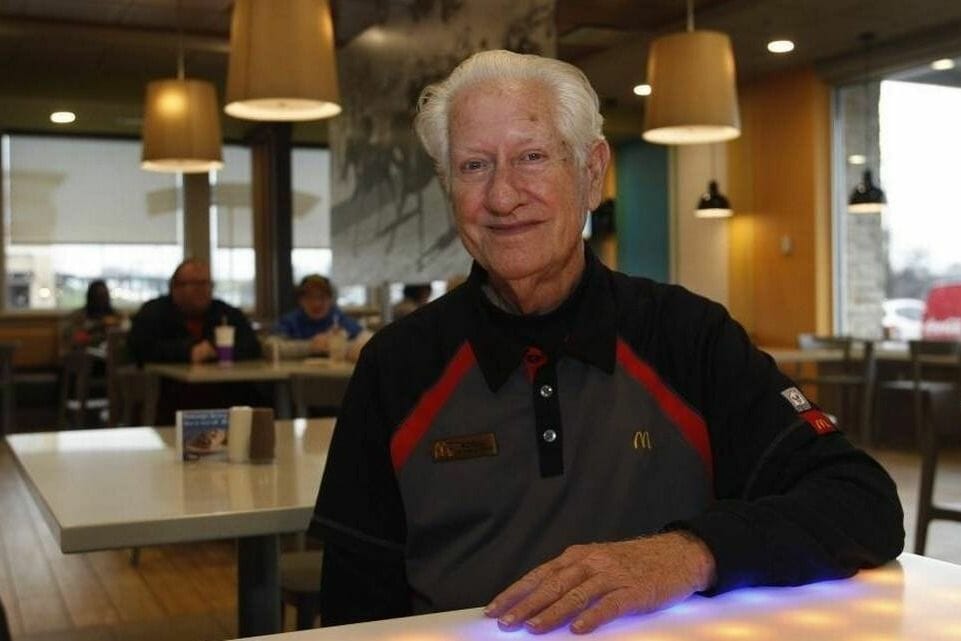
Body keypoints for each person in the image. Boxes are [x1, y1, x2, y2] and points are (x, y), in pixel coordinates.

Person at [311, 50, 903, 634]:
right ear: (449, 188)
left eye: (532, 157)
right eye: (473, 166)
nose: (502, 196)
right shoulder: (396, 366)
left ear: (591, 173)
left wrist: (688, 553)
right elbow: (352, 607)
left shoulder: (687, 336)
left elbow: (862, 501)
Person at [127, 259, 263, 422]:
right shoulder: (154, 313)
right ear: (175, 287)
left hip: (225, 400)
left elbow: (252, 346)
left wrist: (216, 351)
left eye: (207, 284)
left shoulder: (226, 313)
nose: (202, 290)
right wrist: (188, 352)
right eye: (195, 284)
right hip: (170, 400)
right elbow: (140, 348)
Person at [274, 274, 370, 361]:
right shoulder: (289, 321)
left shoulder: (338, 318)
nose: (317, 303)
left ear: (330, 299)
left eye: (322, 297)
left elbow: (368, 341)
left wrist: (336, 344)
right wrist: (310, 346)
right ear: (300, 300)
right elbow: (272, 347)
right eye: (310, 297)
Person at [61, 279, 123, 354]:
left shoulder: (115, 316)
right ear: (91, 297)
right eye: (98, 296)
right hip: (84, 354)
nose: (102, 300)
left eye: (104, 296)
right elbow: (70, 337)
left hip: (110, 354)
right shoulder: (78, 316)